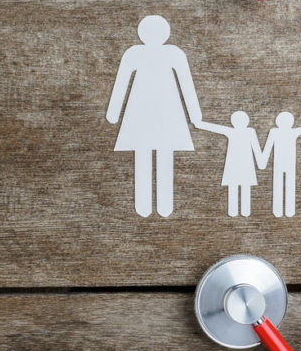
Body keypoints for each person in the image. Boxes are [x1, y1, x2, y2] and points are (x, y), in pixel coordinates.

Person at [106, 15, 202, 217]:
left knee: (158, 153)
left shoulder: (171, 53)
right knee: (149, 152)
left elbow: (186, 83)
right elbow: (122, 81)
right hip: (145, 110)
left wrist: (114, 113)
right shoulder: (137, 53)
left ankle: (160, 206)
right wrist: (195, 115)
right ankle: (149, 206)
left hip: (163, 110)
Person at [197, 111, 267, 217]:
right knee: (242, 186)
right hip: (241, 165)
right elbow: (257, 149)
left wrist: (199, 123)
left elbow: (216, 128)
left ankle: (238, 211)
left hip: (239, 165)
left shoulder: (239, 131)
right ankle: (240, 211)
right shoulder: (246, 131)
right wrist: (261, 162)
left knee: (238, 186)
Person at [260, 112, 301, 217]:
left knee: (283, 184)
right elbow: (268, 147)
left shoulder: (284, 132)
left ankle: (284, 211)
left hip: (285, 163)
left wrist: (262, 162)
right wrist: (262, 161)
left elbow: (267, 148)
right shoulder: (281, 132)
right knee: (284, 184)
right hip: (282, 163)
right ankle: (284, 211)